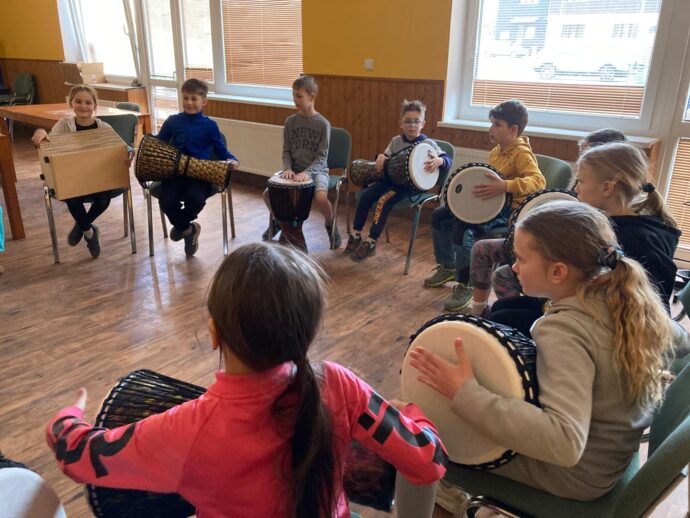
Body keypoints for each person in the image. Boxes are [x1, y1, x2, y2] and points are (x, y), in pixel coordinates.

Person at [46, 242, 447, 518]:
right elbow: (429, 462)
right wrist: (412, 412)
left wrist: (66, 418)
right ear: (306, 333)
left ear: (214, 333)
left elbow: (77, 456)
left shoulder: (189, 428)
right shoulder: (339, 384)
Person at [408, 201, 674, 513]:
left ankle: (455, 493)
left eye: (521, 259)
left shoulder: (565, 331)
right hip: (610, 456)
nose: (514, 267)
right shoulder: (627, 298)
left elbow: (565, 442)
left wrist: (465, 392)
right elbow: (680, 342)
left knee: (418, 431)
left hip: (575, 474)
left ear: (558, 271)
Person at [491, 141, 680, 336]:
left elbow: (654, 311)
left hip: (603, 323)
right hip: (585, 304)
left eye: (581, 181)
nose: (576, 189)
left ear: (607, 187)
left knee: (502, 319)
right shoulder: (620, 222)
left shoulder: (639, 239)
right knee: (500, 308)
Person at [463, 128, 629, 318]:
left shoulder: (618, 225)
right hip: (547, 253)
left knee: (502, 279)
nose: (577, 185)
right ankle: (479, 312)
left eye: (587, 155)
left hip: (562, 274)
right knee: (484, 251)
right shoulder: (582, 193)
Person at [423, 99, 545, 312]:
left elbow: (538, 181)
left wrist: (505, 186)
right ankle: (448, 266)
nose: (491, 129)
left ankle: (467, 284)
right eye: (492, 123)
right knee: (440, 215)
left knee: (463, 229)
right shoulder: (497, 150)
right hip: (490, 205)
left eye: (497, 125)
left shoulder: (521, 153)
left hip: (507, 211)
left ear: (513, 129)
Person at [344, 99, 451, 261]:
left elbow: (448, 159)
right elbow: (385, 158)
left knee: (383, 201)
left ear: (423, 124)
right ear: (401, 124)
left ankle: (371, 241)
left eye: (416, 121)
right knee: (365, 195)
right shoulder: (396, 141)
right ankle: (356, 234)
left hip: (408, 187)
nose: (412, 125)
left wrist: (439, 161)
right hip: (389, 180)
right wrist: (381, 157)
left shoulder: (428, 144)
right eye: (407, 121)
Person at [31, 85, 128, 258]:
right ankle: (89, 232)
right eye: (78, 101)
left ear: (94, 106)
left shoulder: (103, 127)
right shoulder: (64, 125)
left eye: (88, 103)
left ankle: (82, 225)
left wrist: (128, 154)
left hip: (99, 178)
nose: (83, 106)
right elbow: (48, 139)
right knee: (72, 198)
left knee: (103, 200)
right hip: (73, 179)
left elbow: (120, 147)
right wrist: (40, 132)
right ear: (71, 103)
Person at [155, 78, 239, 257]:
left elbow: (221, 150)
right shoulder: (172, 121)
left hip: (200, 174)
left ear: (204, 101)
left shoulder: (210, 126)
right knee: (166, 201)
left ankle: (181, 226)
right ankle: (188, 229)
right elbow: (158, 142)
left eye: (194, 99)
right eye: (185, 98)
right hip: (175, 173)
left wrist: (233, 160)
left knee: (196, 198)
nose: (189, 102)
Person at [263, 75, 341, 248]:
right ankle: (280, 222)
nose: (295, 99)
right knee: (268, 194)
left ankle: (331, 224)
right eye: (294, 95)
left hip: (317, 171)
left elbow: (322, 157)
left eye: (299, 96)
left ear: (312, 97)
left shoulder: (323, 124)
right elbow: (286, 151)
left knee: (321, 197)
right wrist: (287, 168)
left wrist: (307, 173)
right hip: (294, 170)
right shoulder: (290, 122)